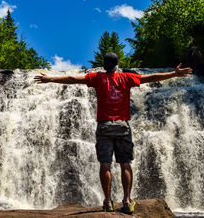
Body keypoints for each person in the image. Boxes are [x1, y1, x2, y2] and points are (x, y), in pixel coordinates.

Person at [34, 52, 192, 214]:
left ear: (104, 65)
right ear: (118, 65)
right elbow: (151, 77)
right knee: (125, 163)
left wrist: (50, 78)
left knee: (105, 164)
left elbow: (73, 80)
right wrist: (174, 74)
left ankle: (108, 201)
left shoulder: (97, 78)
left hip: (104, 126)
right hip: (122, 126)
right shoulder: (126, 77)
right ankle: (127, 201)